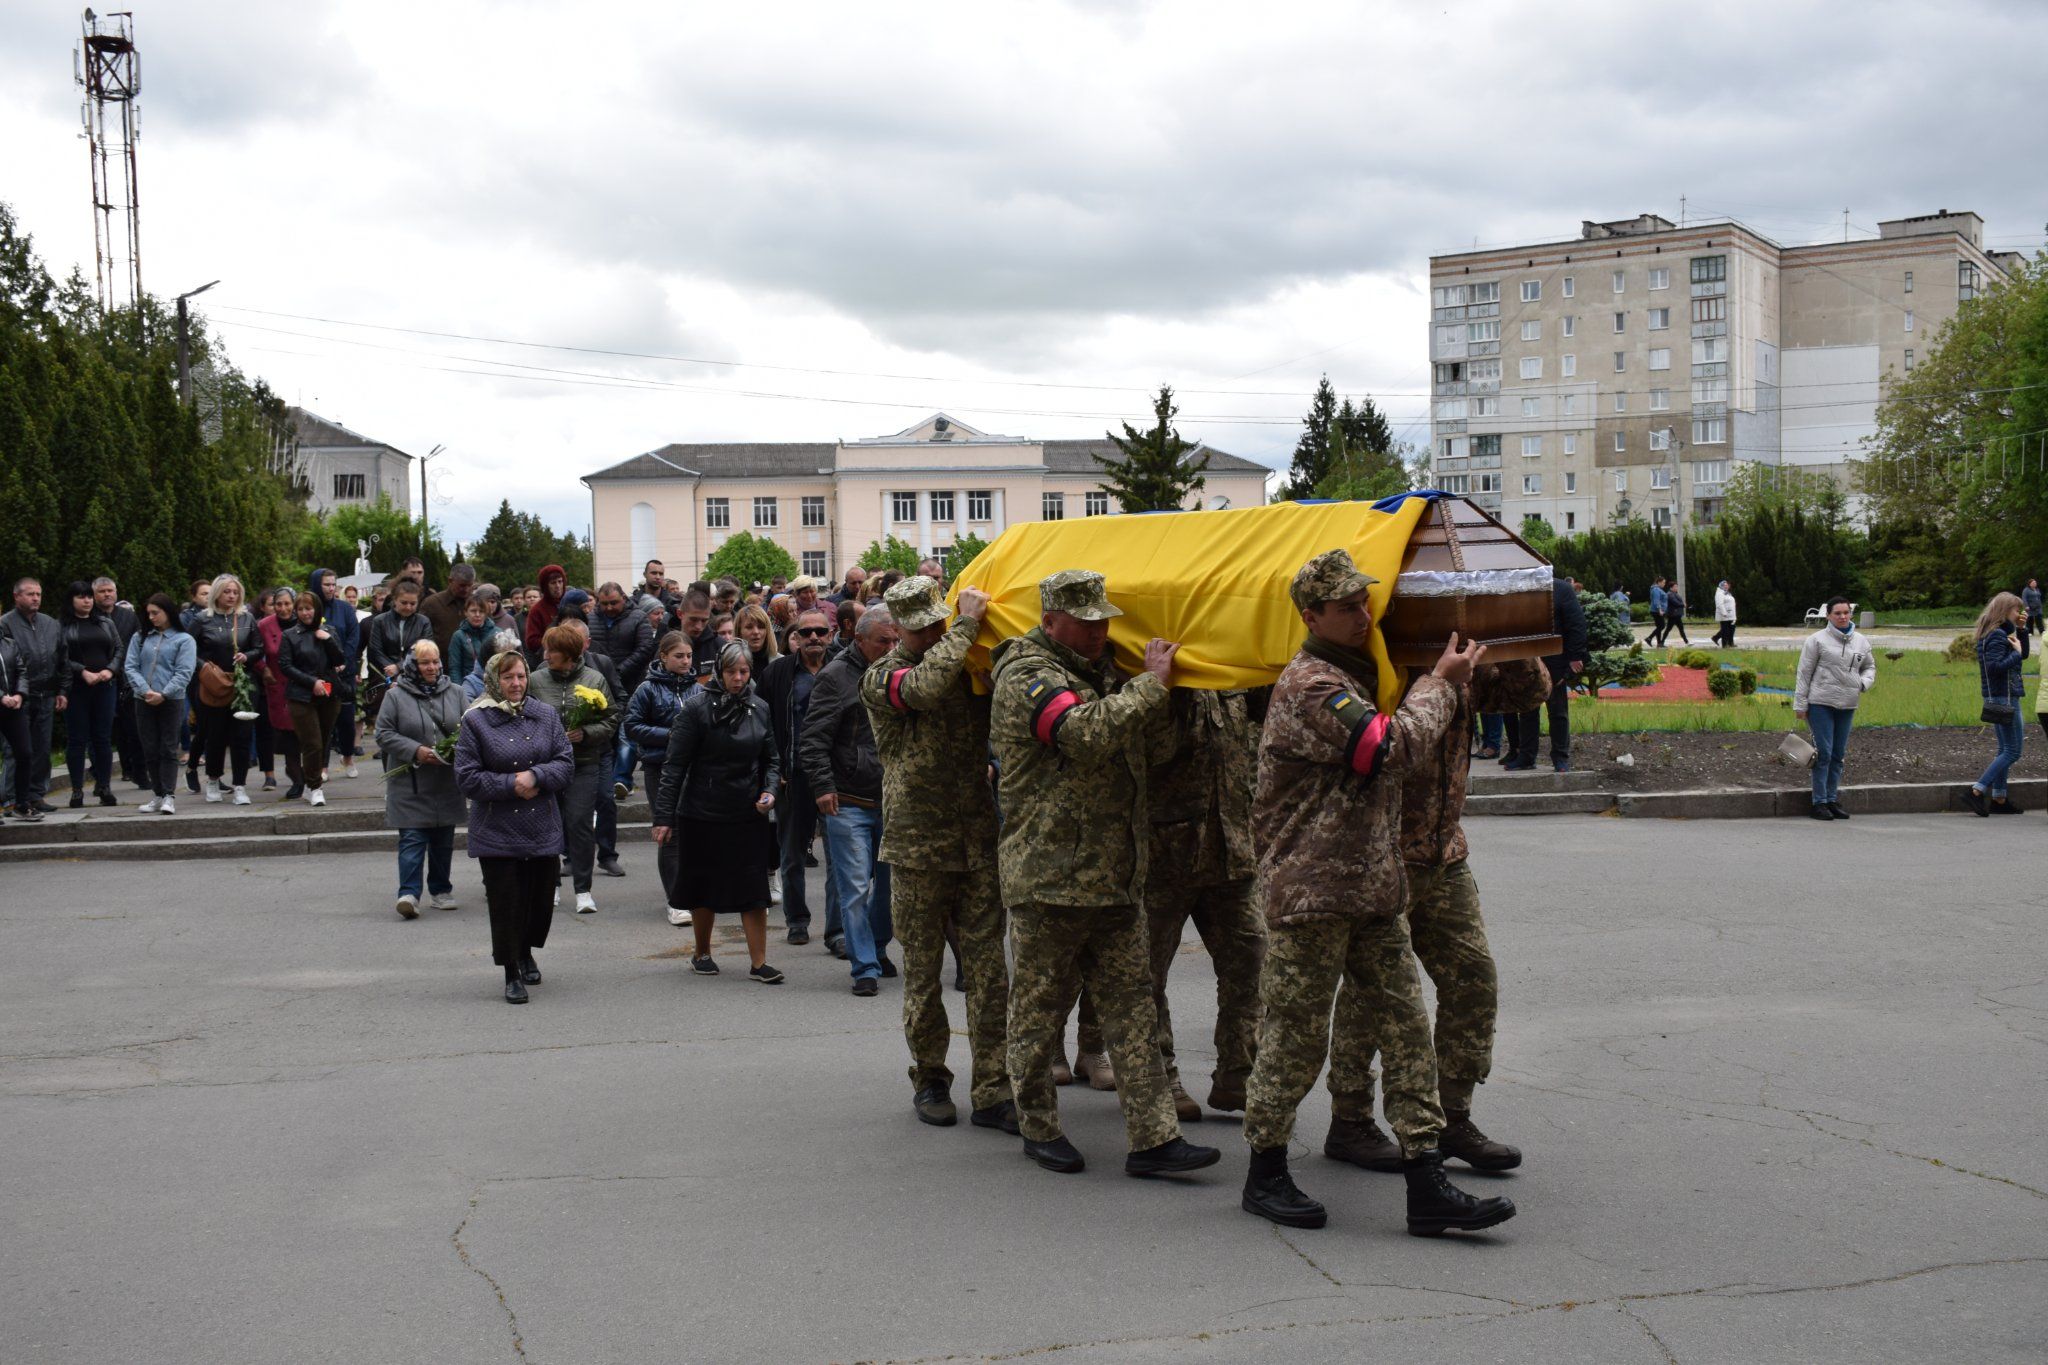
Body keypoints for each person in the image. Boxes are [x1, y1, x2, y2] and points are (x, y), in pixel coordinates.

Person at [1237, 548, 1512, 1237]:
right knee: (1295, 1037)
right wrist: (1440, 685)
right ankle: (1265, 1168)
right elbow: (1386, 748)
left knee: (1407, 1030)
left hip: (1372, 888)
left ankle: (1427, 1180)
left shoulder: (1363, 672)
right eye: (1346, 605)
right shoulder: (1309, 685)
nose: (1363, 613)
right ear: (1311, 615)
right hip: (1313, 892)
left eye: (1365, 601)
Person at [989, 568, 1218, 1178]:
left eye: (1104, 621)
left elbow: (1155, 750)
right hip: (1050, 879)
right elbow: (1082, 734)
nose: (1099, 631)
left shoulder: (1108, 677)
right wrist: (1150, 687)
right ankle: (1038, 1125)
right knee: (1039, 1012)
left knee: (1133, 1009)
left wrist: (1175, 696)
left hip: (1116, 877)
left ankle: (1153, 1138)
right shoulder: (1026, 676)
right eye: (1086, 622)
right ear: (1049, 622)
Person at [1324, 657, 1549, 1179]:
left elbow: (1529, 691)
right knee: (1371, 996)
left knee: (1473, 980)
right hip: (1382, 857)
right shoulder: (1378, 661)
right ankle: (1350, 1118)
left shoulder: (1465, 662)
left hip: (1444, 853)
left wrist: (1510, 641)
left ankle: (1453, 1117)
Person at [859, 576, 1015, 1130]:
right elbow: (923, 688)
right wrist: (966, 625)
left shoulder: (962, 660)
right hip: (918, 841)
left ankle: (994, 1086)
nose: (931, 630)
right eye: (919, 624)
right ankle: (929, 1077)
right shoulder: (883, 676)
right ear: (895, 629)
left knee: (988, 971)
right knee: (923, 971)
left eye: (937, 620)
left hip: (976, 836)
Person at [1140, 687, 1268, 1121]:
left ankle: (1237, 1074)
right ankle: (1161, 1078)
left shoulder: (1234, 674)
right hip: (1165, 853)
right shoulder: (1154, 676)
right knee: (1146, 973)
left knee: (1250, 960)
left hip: (1231, 850)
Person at [652, 640, 784, 983]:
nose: (738, 678)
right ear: (718, 673)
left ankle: (759, 962)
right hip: (702, 811)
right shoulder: (695, 709)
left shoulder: (760, 708)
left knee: (754, 888)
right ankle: (702, 952)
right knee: (702, 885)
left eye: (744, 671)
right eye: (731, 672)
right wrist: (664, 817)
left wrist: (769, 791)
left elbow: (772, 759)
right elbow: (674, 765)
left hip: (747, 811)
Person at [456, 651, 574, 1003]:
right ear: (495, 680)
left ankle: (526, 951)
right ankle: (511, 971)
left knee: (539, 900)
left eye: (521, 676)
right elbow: (466, 777)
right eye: (508, 677)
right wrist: (511, 785)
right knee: (506, 901)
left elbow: (565, 763)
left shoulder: (546, 714)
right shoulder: (476, 720)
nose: (516, 683)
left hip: (541, 824)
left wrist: (536, 775)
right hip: (497, 828)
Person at [800, 606, 900, 993]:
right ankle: (865, 968)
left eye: (895, 640)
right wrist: (824, 787)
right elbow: (814, 739)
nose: (891, 648)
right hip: (847, 801)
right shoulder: (835, 677)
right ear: (860, 640)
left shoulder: (899, 671)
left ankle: (876, 947)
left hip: (891, 799)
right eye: (883, 641)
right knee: (855, 887)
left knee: (889, 888)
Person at [761, 606, 842, 953]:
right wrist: (772, 768)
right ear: (794, 637)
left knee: (839, 858)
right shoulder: (778, 673)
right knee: (792, 853)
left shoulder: (842, 669)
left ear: (830, 635)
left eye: (820, 632)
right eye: (805, 632)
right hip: (791, 778)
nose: (813, 638)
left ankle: (837, 931)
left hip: (837, 780)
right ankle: (797, 920)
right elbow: (763, 724)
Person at [526, 623, 616, 914]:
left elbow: (612, 719)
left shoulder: (595, 679)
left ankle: (583, 890)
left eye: (552, 649)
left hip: (584, 764)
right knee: (548, 825)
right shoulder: (536, 679)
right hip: (546, 766)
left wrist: (585, 733)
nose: (546, 653)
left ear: (568, 654)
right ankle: (550, 885)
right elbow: (523, 716)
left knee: (579, 824)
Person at [377, 640, 467, 917]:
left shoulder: (456, 692)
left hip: (445, 780)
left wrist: (455, 749)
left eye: (435, 661)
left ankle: (441, 890)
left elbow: (469, 726)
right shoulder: (395, 696)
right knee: (413, 838)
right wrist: (416, 750)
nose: (431, 667)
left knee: (443, 838)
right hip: (411, 781)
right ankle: (409, 894)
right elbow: (383, 733)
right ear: (412, 665)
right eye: (425, 662)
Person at [625, 631, 695, 924]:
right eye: (678, 656)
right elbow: (632, 726)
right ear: (663, 657)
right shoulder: (647, 689)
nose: (685, 661)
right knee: (669, 830)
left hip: (694, 768)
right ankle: (675, 900)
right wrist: (672, 737)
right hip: (659, 768)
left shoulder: (698, 689)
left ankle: (693, 892)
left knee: (693, 830)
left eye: (689, 656)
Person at [1793, 597, 1876, 822]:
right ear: (1828, 615)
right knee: (1824, 753)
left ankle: (1831, 799)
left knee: (1838, 755)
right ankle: (1819, 802)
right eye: (1837, 613)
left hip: (1847, 704)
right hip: (1820, 703)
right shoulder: (1816, 640)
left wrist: (1863, 683)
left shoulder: (1860, 641)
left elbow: (1869, 666)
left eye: (1846, 612)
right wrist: (1800, 704)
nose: (1842, 617)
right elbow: (1804, 672)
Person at [191, 574, 263, 806]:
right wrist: (206, 669)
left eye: (235, 592)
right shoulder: (202, 619)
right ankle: (213, 780)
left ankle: (240, 785)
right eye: (226, 591)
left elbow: (259, 648)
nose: (231, 596)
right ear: (216, 593)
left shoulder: (247, 618)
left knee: (242, 736)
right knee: (216, 735)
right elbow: (188, 650)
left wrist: (247, 656)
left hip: (242, 684)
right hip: (214, 686)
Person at [1505, 575, 1586, 773]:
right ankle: (1526, 756)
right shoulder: (1520, 588)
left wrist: (1575, 656)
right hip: (1527, 658)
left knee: (1557, 710)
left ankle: (1560, 757)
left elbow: (1576, 624)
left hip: (1555, 659)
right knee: (1527, 709)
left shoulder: (1561, 590)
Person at [277, 589, 350, 808]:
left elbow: (339, 660)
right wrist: (311, 682)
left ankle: (312, 782)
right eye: (300, 609)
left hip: (329, 694)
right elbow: (285, 666)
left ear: (316, 609)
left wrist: (327, 639)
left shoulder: (329, 631)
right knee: (313, 743)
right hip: (301, 696)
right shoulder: (290, 635)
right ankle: (314, 786)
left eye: (308, 608)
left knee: (324, 740)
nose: (305, 613)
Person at [123, 594, 195, 815]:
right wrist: (145, 691)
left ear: (168, 612)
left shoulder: (184, 639)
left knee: (168, 747)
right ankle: (157, 793)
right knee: (150, 748)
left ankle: (169, 795)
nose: (152, 617)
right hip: (143, 700)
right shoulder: (140, 637)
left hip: (171, 700)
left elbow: (184, 672)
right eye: (149, 613)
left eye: (156, 612)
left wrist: (163, 693)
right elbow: (130, 666)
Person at [0, 577, 67, 815]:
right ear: (16, 596)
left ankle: (36, 795)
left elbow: (62, 658)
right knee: (15, 749)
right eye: (30, 594)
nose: (35, 598)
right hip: (18, 697)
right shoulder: (5, 624)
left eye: (38, 594)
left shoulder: (50, 623)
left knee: (41, 747)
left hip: (46, 693)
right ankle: (10, 798)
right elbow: (9, 665)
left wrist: (62, 689)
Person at [1965, 592, 2029, 817]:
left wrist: (2021, 630)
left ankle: (1999, 799)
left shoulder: (2001, 633)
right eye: (2016, 610)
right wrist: (2016, 654)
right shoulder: (1995, 636)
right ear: (2004, 611)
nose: (2019, 613)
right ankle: (1976, 791)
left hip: (2005, 696)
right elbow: (1994, 668)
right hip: (2004, 698)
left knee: (2005, 749)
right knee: (2012, 751)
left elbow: (2025, 654)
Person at [60, 581, 123, 807]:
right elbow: (59, 656)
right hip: (77, 689)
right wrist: (81, 671)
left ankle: (104, 786)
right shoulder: (62, 626)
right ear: (71, 600)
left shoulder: (105, 622)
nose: (86, 600)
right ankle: (77, 790)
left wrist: (110, 670)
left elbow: (118, 648)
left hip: (105, 686)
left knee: (102, 739)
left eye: (88, 596)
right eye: (80, 596)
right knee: (77, 740)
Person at [311, 570, 366, 782]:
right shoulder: (312, 608)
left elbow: (354, 637)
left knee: (346, 719)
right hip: (320, 674)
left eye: (334, 584)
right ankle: (322, 765)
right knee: (324, 721)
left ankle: (348, 757)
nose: (331, 588)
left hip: (344, 674)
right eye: (326, 584)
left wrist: (344, 662)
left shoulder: (344, 609)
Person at [93, 578, 144, 788]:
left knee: (133, 729)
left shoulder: (128, 616)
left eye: (110, 590)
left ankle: (140, 774)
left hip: (127, 679)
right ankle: (100, 777)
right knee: (101, 732)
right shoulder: (90, 616)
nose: (107, 594)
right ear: (94, 594)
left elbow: (139, 643)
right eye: (102, 591)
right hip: (98, 678)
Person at [256, 588, 303, 797]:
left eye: (287, 604)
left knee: (306, 735)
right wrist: (263, 669)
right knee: (287, 737)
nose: (283, 609)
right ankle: (296, 779)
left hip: (303, 685)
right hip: (278, 687)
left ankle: (312, 776)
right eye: (278, 604)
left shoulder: (304, 622)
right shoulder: (264, 625)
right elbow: (255, 651)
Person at [1, 618, 40, 820]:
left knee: (24, 752)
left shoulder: (9, 643)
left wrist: (19, 694)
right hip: (3, 701)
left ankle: (21, 804)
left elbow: (21, 671)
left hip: (13, 707)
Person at [366, 580, 433, 683]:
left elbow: (424, 650)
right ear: (394, 600)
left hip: (416, 676)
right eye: (404, 602)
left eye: (413, 603)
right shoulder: (380, 621)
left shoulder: (423, 622)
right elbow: (376, 650)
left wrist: (399, 667)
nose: (408, 607)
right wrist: (391, 670)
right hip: (385, 676)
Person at [419, 564, 476, 656]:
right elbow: (420, 636)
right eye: (462, 585)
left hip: (472, 664)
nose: (466, 589)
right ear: (450, 581)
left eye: (470, 585)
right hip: (439, 663)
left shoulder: (478, 604)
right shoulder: (432, 604)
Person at [448, 596, 497, 689]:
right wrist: (459, 691)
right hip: (469, 686)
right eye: (473, 611)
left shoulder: (497, 633)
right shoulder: (458, 636)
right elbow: (455, 667)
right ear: (466, 612)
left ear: (486, 613)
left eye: (481, 611)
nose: (477, 615)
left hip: (495, 685)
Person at [521, 565, 568, 659]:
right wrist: (557, 641)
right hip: (549, 659)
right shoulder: (537, 610)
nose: (557, 586)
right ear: (545, 586)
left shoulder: (570, 603)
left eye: (560, 581)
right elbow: (531, 642)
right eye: (553, 583)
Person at [1713, 580, 1739, 649]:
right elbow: (1719, 604)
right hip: (1724, 615)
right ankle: (1725, 645)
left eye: (1727, 585)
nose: (1726, 586)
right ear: (1721, 586)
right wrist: (1724, 613)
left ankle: (1730, 643)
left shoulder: (1727, 593)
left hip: (1731, 615)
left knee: (1731, 629)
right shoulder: (1719, 593)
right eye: (1725, 585)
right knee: (1725, 631)